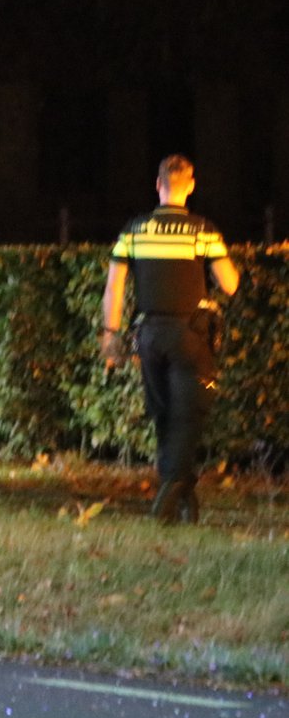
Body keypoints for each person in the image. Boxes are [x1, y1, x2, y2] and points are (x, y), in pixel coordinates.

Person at [101, 154, 238, 525]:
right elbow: (230, 283)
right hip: (190, 336)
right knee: (189, 416)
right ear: (190, 186)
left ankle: (182, 505)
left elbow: (114, 288)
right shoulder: (202, 231)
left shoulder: (134, 231)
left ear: (157, 185)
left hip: (148, 335)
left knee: (164, 416)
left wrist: (111, 336)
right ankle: (168, 499)